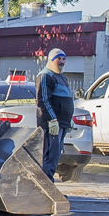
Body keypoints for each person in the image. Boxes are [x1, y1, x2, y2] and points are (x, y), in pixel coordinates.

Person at [39, 47, 77, 179]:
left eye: (63, 59)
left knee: (55, 157)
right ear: (51, 60)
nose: (61, 61)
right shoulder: (46, 76)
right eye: (58, 59)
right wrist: (52, 120)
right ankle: (45, 185)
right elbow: (43, 100)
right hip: (52, 125)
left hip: (62, 124)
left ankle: (49, 184)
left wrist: (69, 118)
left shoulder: (61, 77)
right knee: (49, 157)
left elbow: (66, 99)